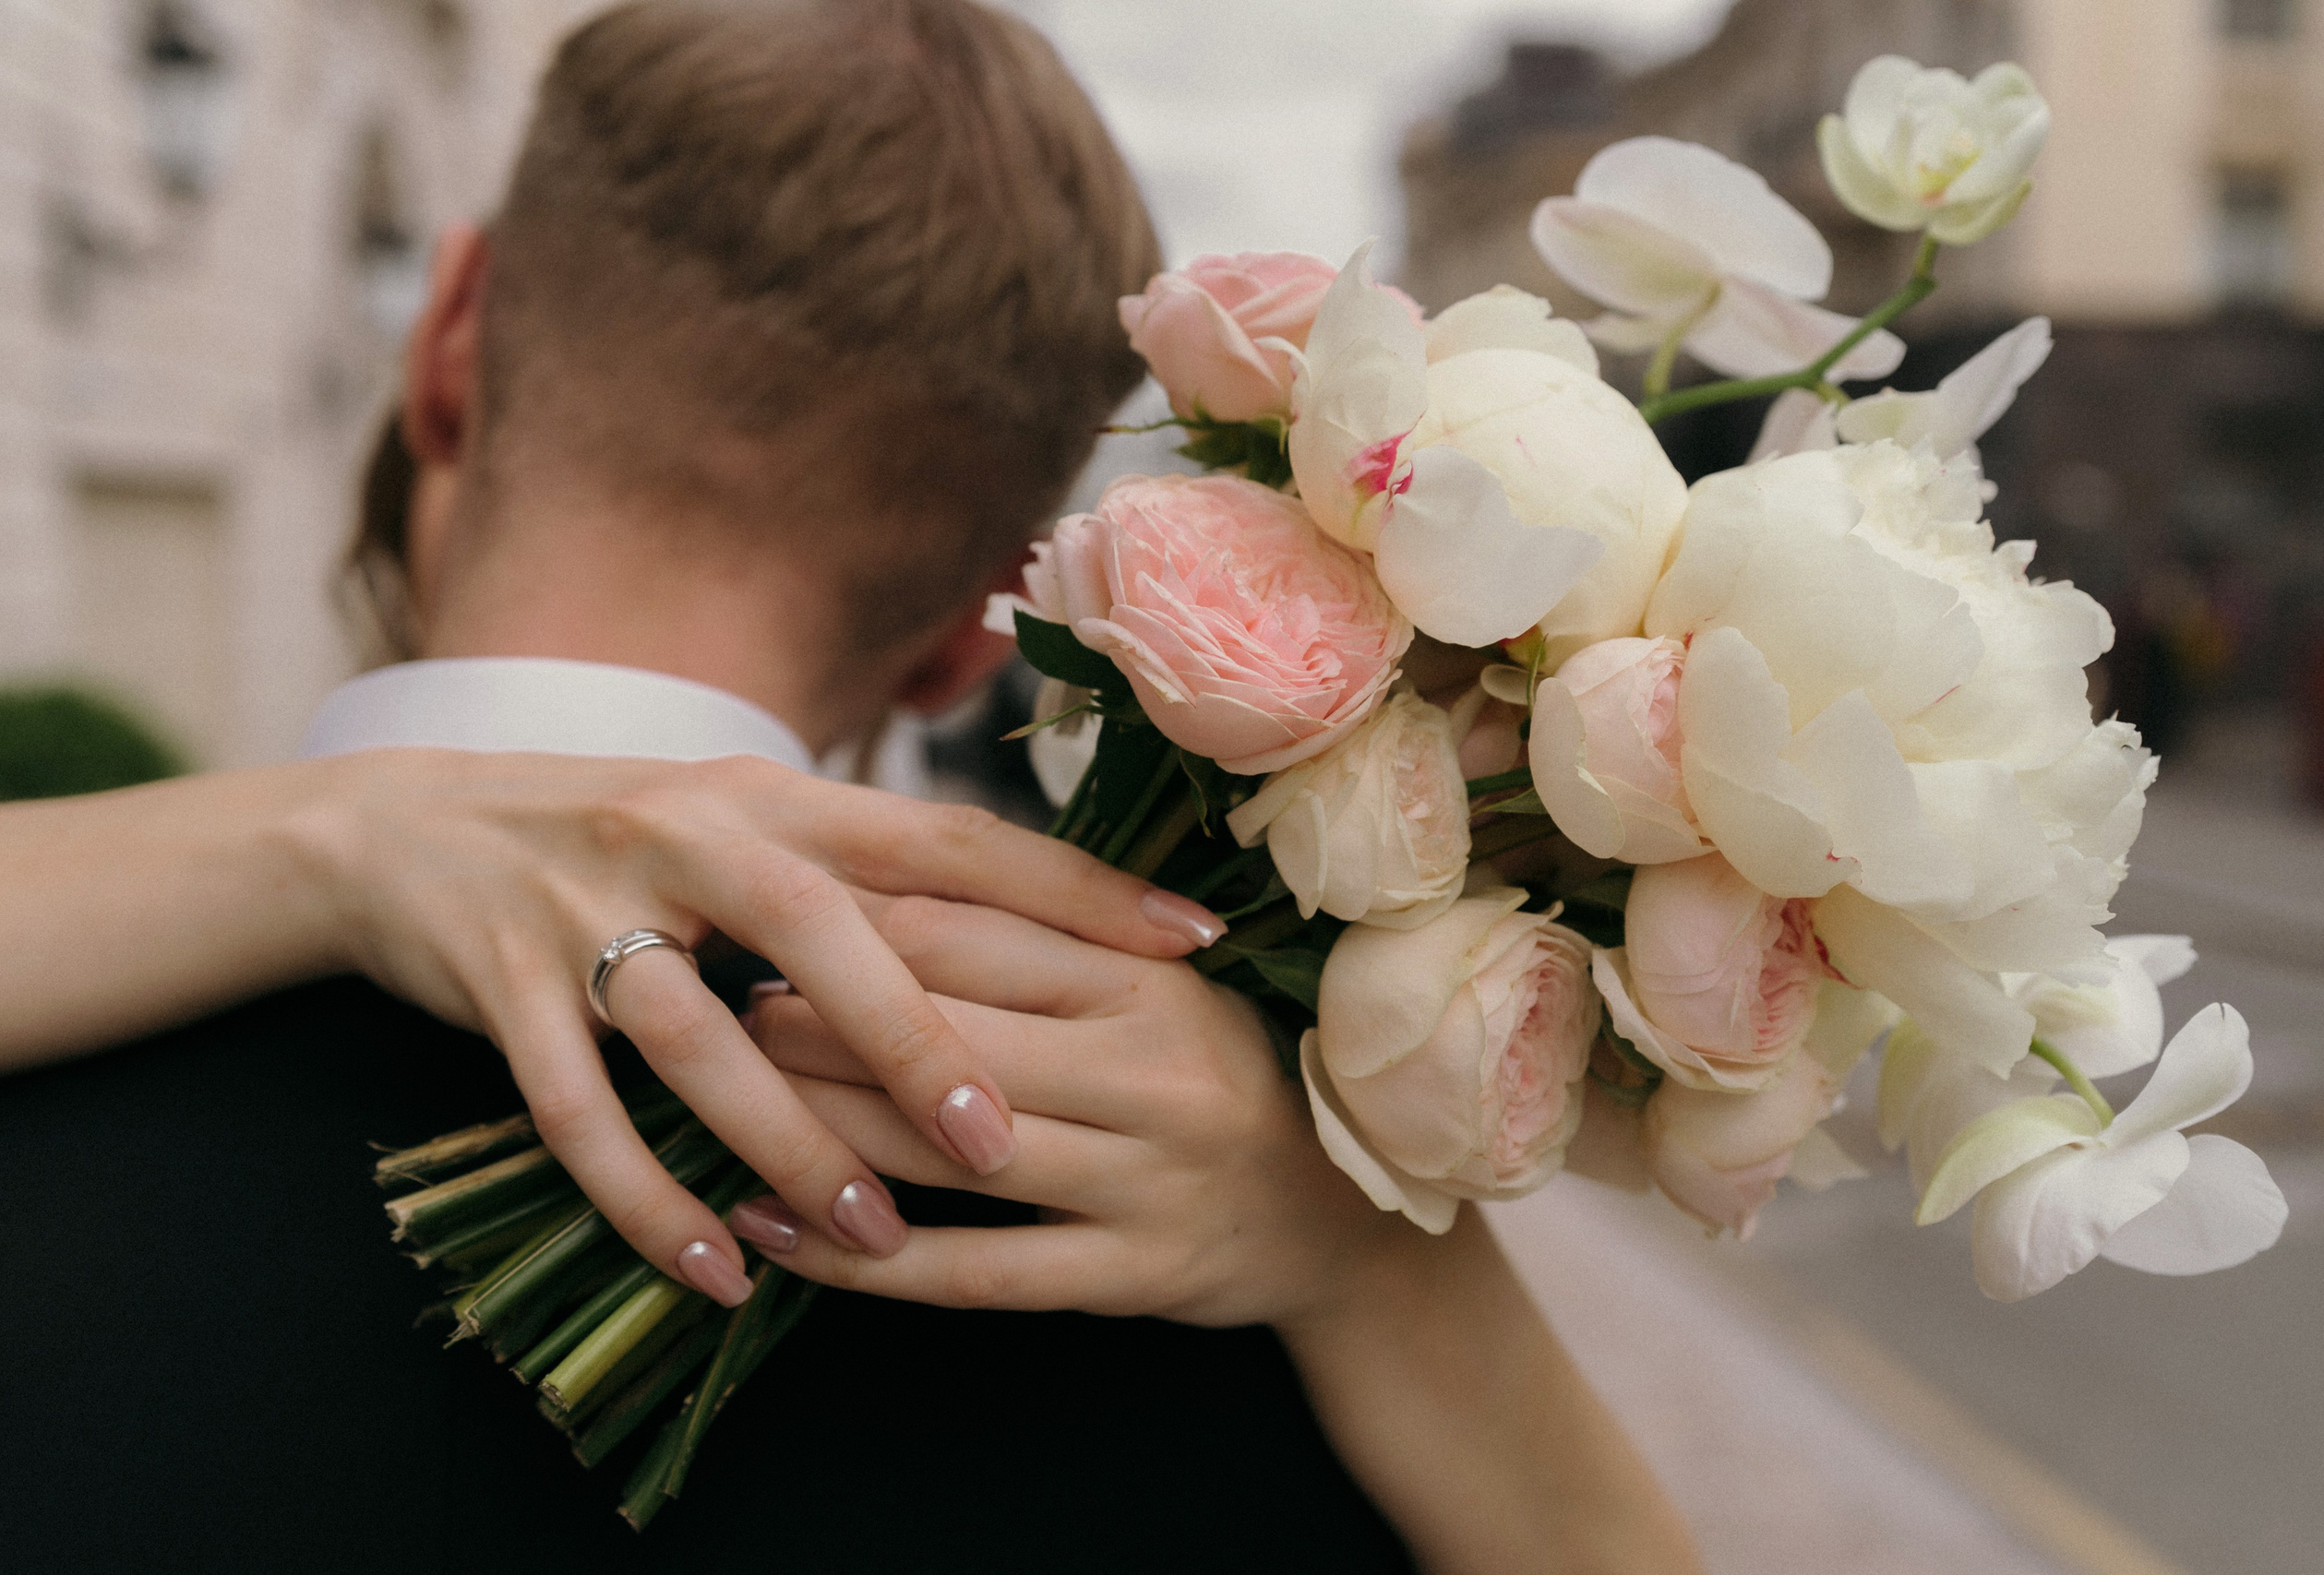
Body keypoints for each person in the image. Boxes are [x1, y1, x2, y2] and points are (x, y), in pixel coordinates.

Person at [0, 3, 1697, 1571]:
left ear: (446, 340)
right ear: (975, 640)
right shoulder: (1268, 1310)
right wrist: (1381, 1271)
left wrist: (323, 837)